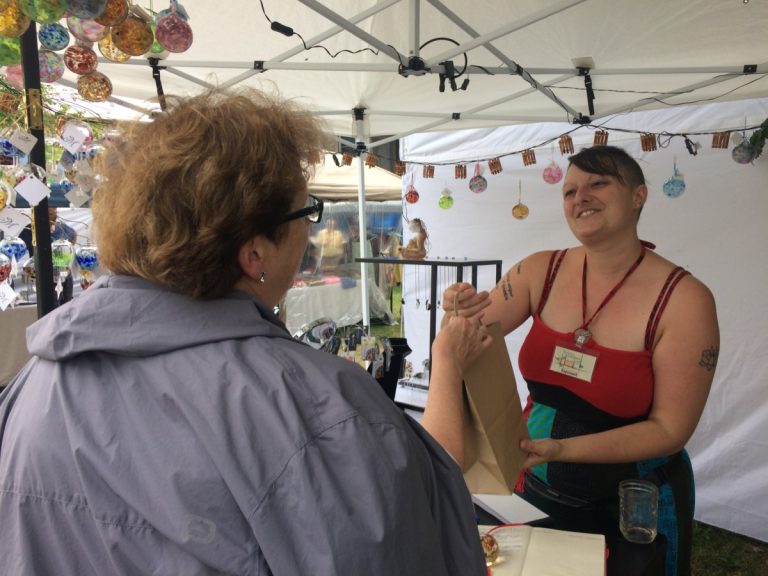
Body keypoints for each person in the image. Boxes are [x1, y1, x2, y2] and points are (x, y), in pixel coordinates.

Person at [0, 88, 492, 575]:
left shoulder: (35, 381)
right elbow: (405, 529)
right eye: (307, 212)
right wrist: (446, 363)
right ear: (254, 253)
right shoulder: (314, 403)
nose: (311, 233)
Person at [441, 145, 719, 576]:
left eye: (598, 184)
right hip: (537, 480)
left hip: (633, 501)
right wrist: (458, 309)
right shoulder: (539, 271)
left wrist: (563, 449)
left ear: (638, 196)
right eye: (569, 191)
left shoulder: (685, 301)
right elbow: (470, 336)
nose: (579, 198)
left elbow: (670, 430)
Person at [49, 206, 77, 304]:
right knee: (54, 302)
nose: (54, 216)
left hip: (64, 269)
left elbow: (74, 233)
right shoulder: (37, 229)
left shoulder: (61, 227)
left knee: (67, 300)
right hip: (49, 272)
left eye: (55, 213)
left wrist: (69, 245)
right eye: (50, 214)